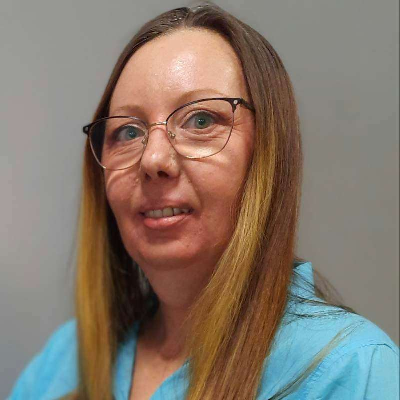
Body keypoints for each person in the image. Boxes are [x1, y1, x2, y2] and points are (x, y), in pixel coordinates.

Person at [7, 3, 399, 400]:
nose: (153, 159)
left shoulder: (353, 370)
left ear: (267, 153)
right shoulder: (62, 362)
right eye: (128, 132)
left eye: (200, 120)